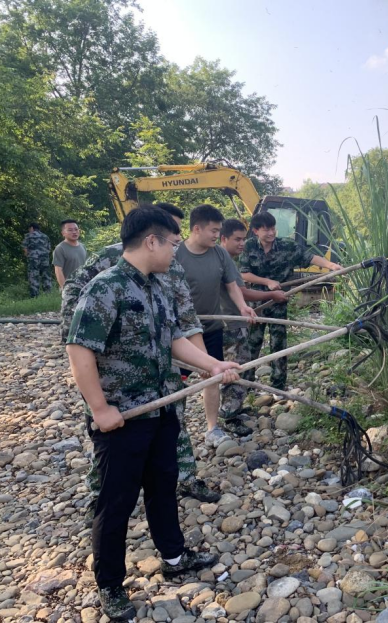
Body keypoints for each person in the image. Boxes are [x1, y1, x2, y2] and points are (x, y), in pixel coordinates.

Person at [66, 206, 240, 621]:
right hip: (124, 418)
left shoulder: (157, 286)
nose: (176, 253)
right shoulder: (106, 288)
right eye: (173, 244)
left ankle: (175, 556)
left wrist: (211, 365)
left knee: (163, 486)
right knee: (116, 502)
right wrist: (100, 408)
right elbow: (79, 350)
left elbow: (174, 338)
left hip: (161, 407)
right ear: (152, 241)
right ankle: (109, 584)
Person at [61, 203, 219, 510]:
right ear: (151, 236)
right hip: (115, 369)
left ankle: (184, 479)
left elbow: (184, 319)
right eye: (171, 238)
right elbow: (74, 290)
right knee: (112, 439)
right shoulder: (112, 260)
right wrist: (82, 339)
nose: (176, 244)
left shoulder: (170, 267)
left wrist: (206, 362)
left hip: (160, 361)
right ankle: (100, 496)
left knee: (173, 419)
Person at [175, 205, 258, 442]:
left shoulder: (220, 254)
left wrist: (242, 307)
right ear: (196, 229)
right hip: (179, 332)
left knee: (211, 376)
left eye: (219, 231)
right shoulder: (176, 253)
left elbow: (232, 285)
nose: (216, 236)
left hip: (209, 329)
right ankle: (173, 429)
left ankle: (212, 428)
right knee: (175, 381)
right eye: (213, 231)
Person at [239, 211, 342, 390]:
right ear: (256, 231)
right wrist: (267, 282)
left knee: (279, 343)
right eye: (266, 230)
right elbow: (244, 273)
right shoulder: (248, 247)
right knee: (252, 342)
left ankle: (278, 385)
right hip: (257, 302)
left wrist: (330, 265)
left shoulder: (286, 245)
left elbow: (309, 257)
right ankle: (247, 383)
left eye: (273, 228)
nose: (271, 233)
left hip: (279, 302)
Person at [218, 219, 289, 425]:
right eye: (237, 239)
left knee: (241, 360)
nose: (242, 243)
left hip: (239, 317)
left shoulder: (227, 259)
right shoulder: (223, 259)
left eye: (243, 239)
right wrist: (271, 295)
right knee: (235, 365)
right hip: (228, 322)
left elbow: (238, 290)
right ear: (224, 238)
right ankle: (229, 415)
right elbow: (242, 291)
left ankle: (235, 406)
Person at [53, 219, 87, 288]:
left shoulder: (82, 246)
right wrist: (64, 288)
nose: (74, 232)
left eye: (76, 229)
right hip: (70, 287)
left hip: (84, 286)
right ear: (63, 233)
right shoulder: (60, 248)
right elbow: (58, 270)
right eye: (70, 230)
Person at [22, 223, 52, 297]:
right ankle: (48, 295)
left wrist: (28, 255)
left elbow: (25, 249)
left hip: (33, 259)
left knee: (33, 276)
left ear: (32, 228)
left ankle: (34, 296)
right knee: (46, 276)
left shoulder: (28, 236)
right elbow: (49, 249)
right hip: (45, 259)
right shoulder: (45, 236)